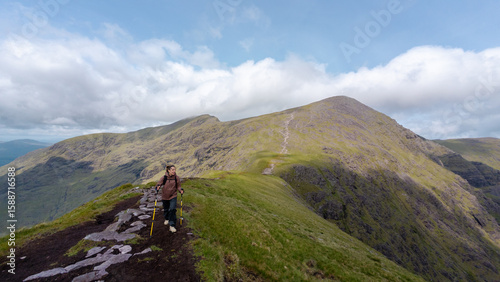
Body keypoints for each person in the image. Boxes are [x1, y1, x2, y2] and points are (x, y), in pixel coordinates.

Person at [156, 165, 184, 233]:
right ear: (168, 170)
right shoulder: (164, 177)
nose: (174, 171)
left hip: (173, 196)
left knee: (172, 209)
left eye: (174, 170)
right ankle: (166, 218)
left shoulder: (176, 178)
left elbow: (178, 186)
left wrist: (181, 190)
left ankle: (172, 225)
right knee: (166, 209)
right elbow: (158, 184)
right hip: (165, 196)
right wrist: (158, 186)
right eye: (172, 170)